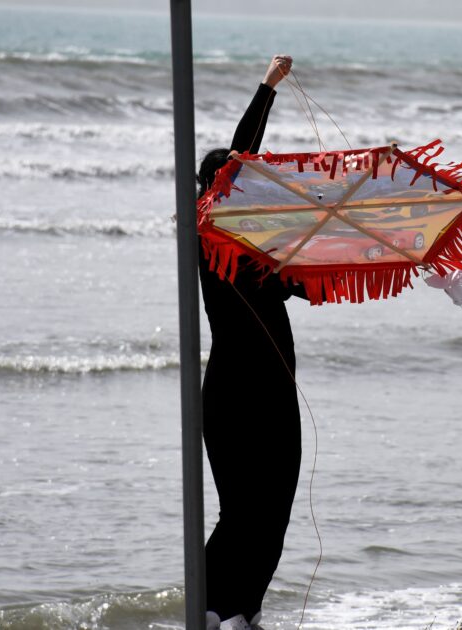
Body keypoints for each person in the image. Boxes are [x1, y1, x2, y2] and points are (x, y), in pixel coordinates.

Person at [195, 54, 304, 630]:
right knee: (242, 514)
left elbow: (306, 284)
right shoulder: (208, 236)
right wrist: (266, 87)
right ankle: (210, 612)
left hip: (272, 392)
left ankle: (243, 612)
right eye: (239, 184)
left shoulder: (263, 251)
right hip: (238, 392)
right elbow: (239, 159)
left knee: (269, 510)